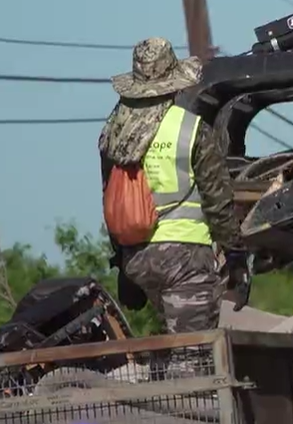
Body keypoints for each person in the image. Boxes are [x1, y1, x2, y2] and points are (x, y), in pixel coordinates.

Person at [98, 37, 251, 336]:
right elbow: (217, 201)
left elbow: (112, 200)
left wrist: (122, 263)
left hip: (137, 260)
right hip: (186, 260)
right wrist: (235, 257)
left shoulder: (113, 133)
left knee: (173, 343)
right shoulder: (191, 130)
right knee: (193, 356)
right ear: (174, 83)